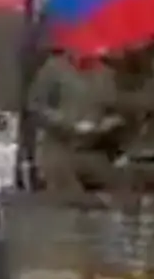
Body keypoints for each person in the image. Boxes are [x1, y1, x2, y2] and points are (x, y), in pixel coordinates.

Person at [26, 46, 126, 196]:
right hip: (59, 149)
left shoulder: (107, 74)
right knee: (66, 191)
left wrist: (108, 124)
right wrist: (68, 122)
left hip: (94, 151)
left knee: (119, 188)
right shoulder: (53, 68)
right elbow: (34, 107)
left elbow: (116, 110)